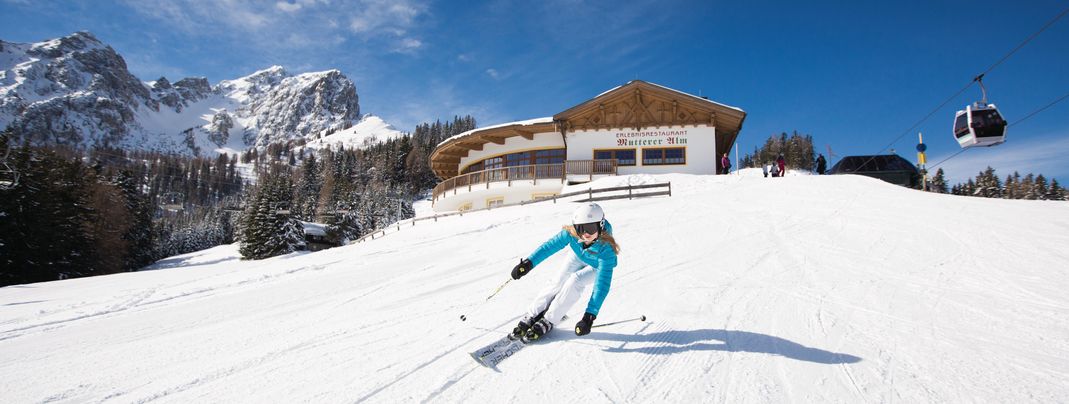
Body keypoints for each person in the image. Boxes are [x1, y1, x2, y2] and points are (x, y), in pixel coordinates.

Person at [509, 203, 621, 342]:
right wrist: (528, 263)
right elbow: (549, 247)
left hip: (596, 265)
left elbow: (601, 286)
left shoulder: (606, 249)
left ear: (601, 225)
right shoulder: (572, 233)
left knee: (575, 281)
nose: (585, 234)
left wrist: (589, 316)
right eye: (581, 228)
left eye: (591, 229)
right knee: (559, 280)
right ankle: (533, 314)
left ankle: (550, 319)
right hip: (578, 255)